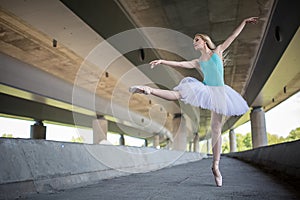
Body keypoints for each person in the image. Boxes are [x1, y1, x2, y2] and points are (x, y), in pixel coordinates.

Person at [129, 17, 258, 187]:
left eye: (196, 40)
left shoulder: (217, 51)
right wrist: (162, 61)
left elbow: (232, 37)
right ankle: (148, 90)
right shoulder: (198, 62)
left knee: (216, 128)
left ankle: (216, 166)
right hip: (205, 88)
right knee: (178, 94)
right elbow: (181, 63)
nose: (194, 43)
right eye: (193, 41)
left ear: (204, 41)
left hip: (220, 91)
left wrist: (244, 22)